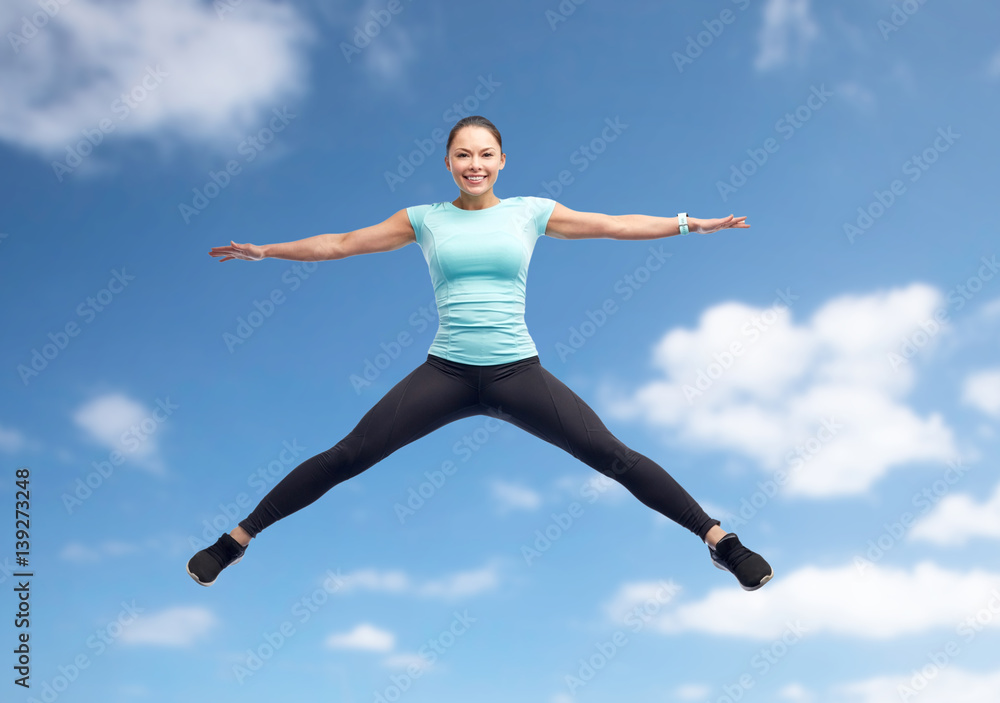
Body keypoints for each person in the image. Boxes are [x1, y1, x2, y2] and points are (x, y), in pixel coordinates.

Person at [187, 115, 773, 591]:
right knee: (349, 455)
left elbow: (612, 225)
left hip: (516, 370)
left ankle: (720, 541)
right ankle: (235, 541)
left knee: (609, 453)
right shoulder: (423, 220)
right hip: (445, 371)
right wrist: (268, 251)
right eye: (463, 155)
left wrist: (686, 224)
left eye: (486, 154)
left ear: (501, 161)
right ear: (448, 163)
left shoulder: (529, 212)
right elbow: (341, 244)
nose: (475, 165)